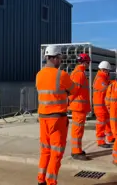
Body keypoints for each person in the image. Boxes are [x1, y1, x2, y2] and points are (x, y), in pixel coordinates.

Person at [36, 45, 80, 185]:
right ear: (54, 58)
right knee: (56, 152)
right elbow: (73, 90)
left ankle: (41, 180)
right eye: (60, 57)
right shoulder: (62, 75)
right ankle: (51, 181)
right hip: (57, 119)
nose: (61, 60)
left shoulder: (39, 74)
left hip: (43, 117)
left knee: (45, 151)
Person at [69, 53, 92, 160]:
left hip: (79, 106)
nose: (89, 65)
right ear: (85, 62)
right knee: (77, 130)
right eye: (88, 62)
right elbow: (74, 91)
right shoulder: (79, 74)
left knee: (78, 129)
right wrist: (68, 101)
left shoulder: (79, 72)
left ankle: (77, 150)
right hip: (78, 106)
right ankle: (76, 151)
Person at [93, 61, 115, 148]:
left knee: (107, 122)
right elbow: (106, 88)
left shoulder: (104, 78)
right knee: (101, 124)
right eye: (107, 70)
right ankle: (101, 141)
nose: (108, 72)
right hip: (100, 106)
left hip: (103, 105)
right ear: (103, 70)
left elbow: (108, 83)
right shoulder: (100, 78)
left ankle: (110, 137)